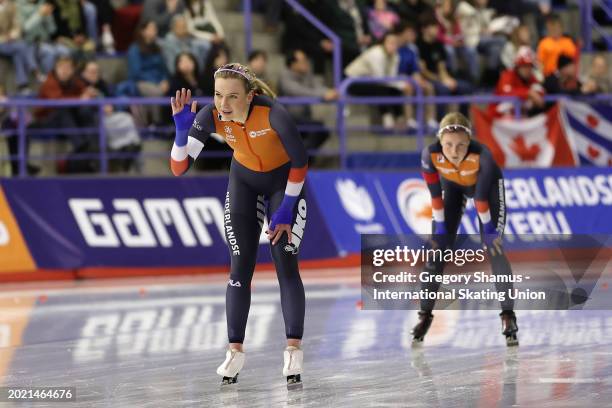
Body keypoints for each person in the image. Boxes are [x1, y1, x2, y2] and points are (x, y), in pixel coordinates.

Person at [169, 63, 308, 387]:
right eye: (218, 95)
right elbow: (179, 168)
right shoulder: (210, 116)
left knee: (284, 262)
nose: (223, 104)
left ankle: (293, 349)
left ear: (251, 95)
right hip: (242, 183)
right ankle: (234, 351)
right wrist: (180, 134)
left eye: (232, 97)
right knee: (239, 266)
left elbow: (300, 163)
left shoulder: (274, 114)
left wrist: (287, 206)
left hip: (282, 185)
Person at [413, 112, 519, 347]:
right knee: (437, 251)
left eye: (461, 145)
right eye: (448, 145)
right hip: (452, 188)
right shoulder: (430, 155)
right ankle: (424, 316)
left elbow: (481, 199)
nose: (454, 151)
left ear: (469, 142)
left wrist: (491, 233)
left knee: (494, 248)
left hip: (487, 191)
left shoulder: (483, 156)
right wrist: (439, 229)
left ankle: (508, 315)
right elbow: (434, 197)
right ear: (440, 142)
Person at [489, 46, 545, 118]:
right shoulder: (507, 75)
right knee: (510, 103)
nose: (527, 69)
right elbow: (506, 93)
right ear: (518, 66)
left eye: (529, 66)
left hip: (518, 118)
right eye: (524, 66)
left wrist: (536, 95)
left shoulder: (531, 78)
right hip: (497, 118)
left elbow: (540, 90)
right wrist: (528, 93)